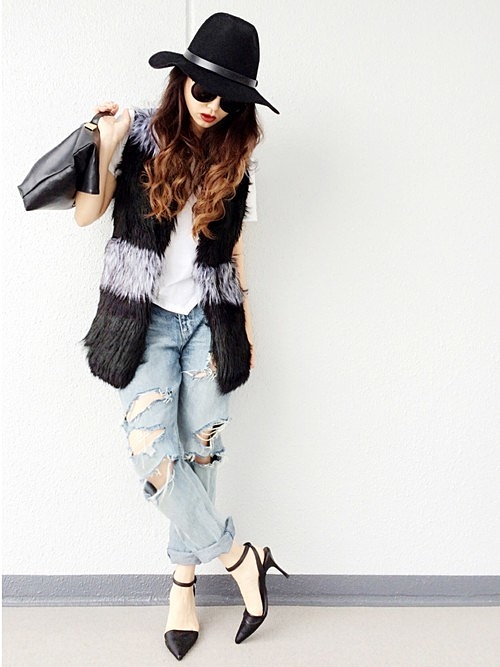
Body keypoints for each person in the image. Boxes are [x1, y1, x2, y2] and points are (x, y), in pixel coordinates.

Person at [74, 12, 288, 661]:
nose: (214, 105)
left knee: (200, 452)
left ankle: (183, 588)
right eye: (204, 90)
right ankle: (241, 559)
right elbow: (86, 213)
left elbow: (234, 251)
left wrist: (244, 328)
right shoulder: (140, 135)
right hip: (141, 321)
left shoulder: (238, 157)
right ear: (182, 80)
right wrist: (107, 143)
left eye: (230, 98)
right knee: (153, 452)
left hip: (208, 320)